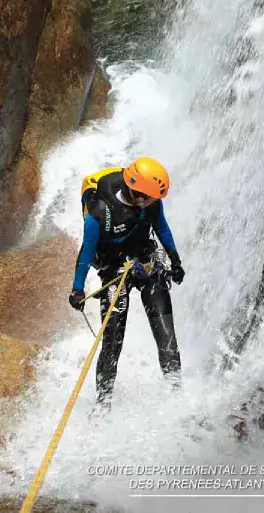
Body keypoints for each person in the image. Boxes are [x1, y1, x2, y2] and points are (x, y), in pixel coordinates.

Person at [68, 157, 185, 413]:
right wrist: (77, 289)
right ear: (139, 194)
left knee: (167, 335)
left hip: (145, 262)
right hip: (113, 269)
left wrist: (175, 261)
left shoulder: (151, 202)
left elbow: (161, 228)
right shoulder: (99, 211)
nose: (156, 202)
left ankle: (177, 396)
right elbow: (87, 251)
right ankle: (102, 405)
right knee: (112, 341)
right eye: (153, 197)